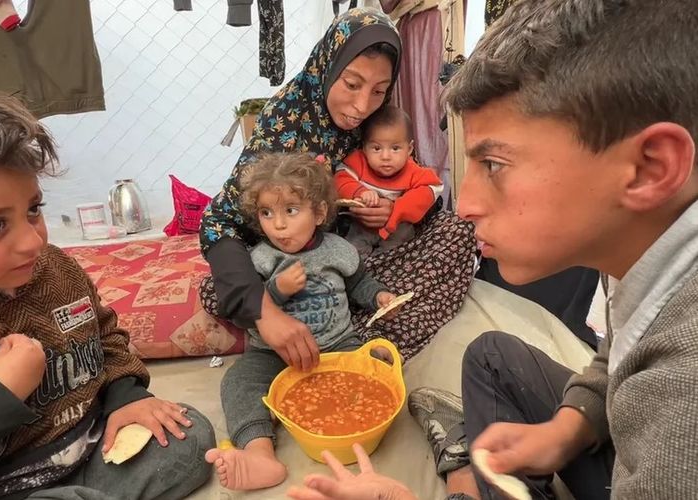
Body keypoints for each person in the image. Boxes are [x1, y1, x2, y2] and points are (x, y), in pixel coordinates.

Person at [287, 0, 698, 498]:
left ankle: (464, 485)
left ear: (651, 169)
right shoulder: (644, 255)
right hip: (615, 430)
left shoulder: (683, 394)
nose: (466, 206)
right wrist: (564, 433)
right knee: (490, 353)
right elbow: (618, 353)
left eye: (495, 165)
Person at [0, 93, 215, 500]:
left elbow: (106, 335)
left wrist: (126, 397)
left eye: (33, 209)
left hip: (87, 454)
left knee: (188, 436)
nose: (31, 241)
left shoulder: (58, 270)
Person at [199, 7, 476, 363]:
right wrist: (263, 311)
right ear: (328, 67)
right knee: (230, 286)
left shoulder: (378, 119)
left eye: (379, 90)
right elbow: (219, 224)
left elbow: (417, 182)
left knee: (456, 232)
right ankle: (347, 333)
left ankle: (362, 322)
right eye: (352, 84)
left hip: (350, 257)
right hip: (290, 259)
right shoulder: (287, 120)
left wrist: (393, 208)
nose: (362, 106)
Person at [204, 152, 400, 491]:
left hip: (338, 345)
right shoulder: (262, 258)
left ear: (319, 212)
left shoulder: (339, 250)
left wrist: (380, 296)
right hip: (271, 355)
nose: (278, 225)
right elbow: (250, 311)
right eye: (267, 213)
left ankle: (353, 432)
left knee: (373, 364)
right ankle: (260, 454)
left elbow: (358, 283)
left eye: (291, 211)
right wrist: (276, 291)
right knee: (237, 382)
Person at [334, 105, 443, 256]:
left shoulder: (413, 170)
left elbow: (433, 187)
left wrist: (398, 209)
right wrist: (360, 191)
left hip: (397, 229)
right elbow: (340, 177)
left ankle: (387, 267)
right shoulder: (359, 162)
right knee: (351, 252)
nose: (386, 156)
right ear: (364, 148)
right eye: (377, 148)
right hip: (362, 226)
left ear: (409, 149)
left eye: (395, 148)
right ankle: (363, 271)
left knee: (400, 248)